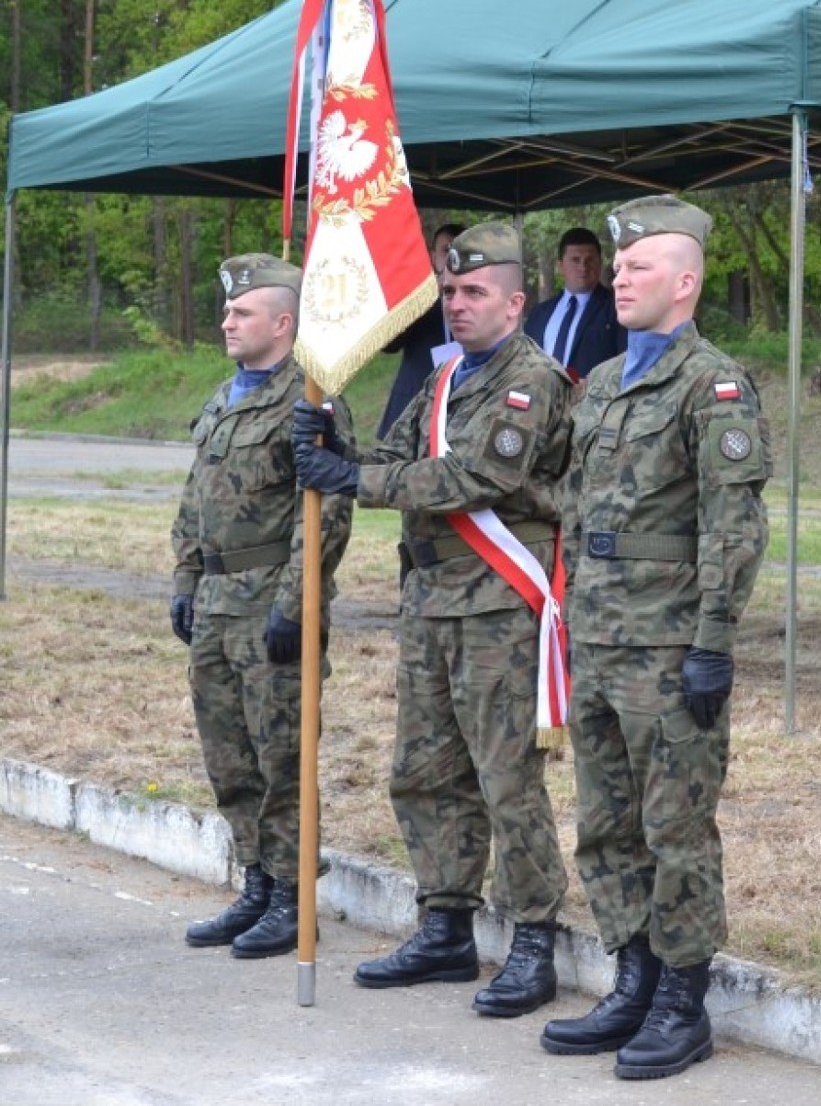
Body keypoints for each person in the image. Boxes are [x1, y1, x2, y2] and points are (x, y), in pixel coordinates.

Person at [292, 221, 573, 1018]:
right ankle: (445, 922)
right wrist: (335, 448)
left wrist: (354, 479)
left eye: (474, 291)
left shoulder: (533, 380)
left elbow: (476, 475)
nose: (457, 304)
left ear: (516, 301)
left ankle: (532, 940)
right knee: (423, 770)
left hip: (496, 606)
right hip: (431, 603)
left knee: (506, 777)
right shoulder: (445, 379)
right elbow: (395, 453)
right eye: (449, 291)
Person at [540, 196, 771, 1078]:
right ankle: (632, 974)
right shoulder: (600, 383)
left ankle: (682, 995)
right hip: (599, 638)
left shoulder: (712, 383)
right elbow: (569, 502)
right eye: (617, 263)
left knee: (675, 824)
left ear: (685, 281)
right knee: (607, 823)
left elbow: (733, 523)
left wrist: (714, 637)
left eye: (636, 267)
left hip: (670, 645)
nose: (619, 276)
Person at [170, 253, 353, 960]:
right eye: (226, 310)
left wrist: (296, 603)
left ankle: (290, 893)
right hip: (217, 600)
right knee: (230, 754)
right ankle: (254, 879)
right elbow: (194, 500)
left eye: (241, 312)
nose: (227, 320)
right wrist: (185, 579)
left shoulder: (309, 396)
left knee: (283, 755)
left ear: (283, 322)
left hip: (270, 600)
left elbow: (327, 506)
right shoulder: (225, 396)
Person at [376, 221, 466, 437]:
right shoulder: (414, 295)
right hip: (413, 404)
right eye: (446, 251)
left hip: (462, 405)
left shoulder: (477, 298)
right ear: (433, 257)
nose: (452, 257)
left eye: (459, 251)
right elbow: (388, 344)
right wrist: (422, 299)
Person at [525, 226, 626, 378]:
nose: (583, 267)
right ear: (560, 266)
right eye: (575, 260)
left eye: (590, 260)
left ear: (600, 262)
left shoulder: (617, 308)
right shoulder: (539, 314)